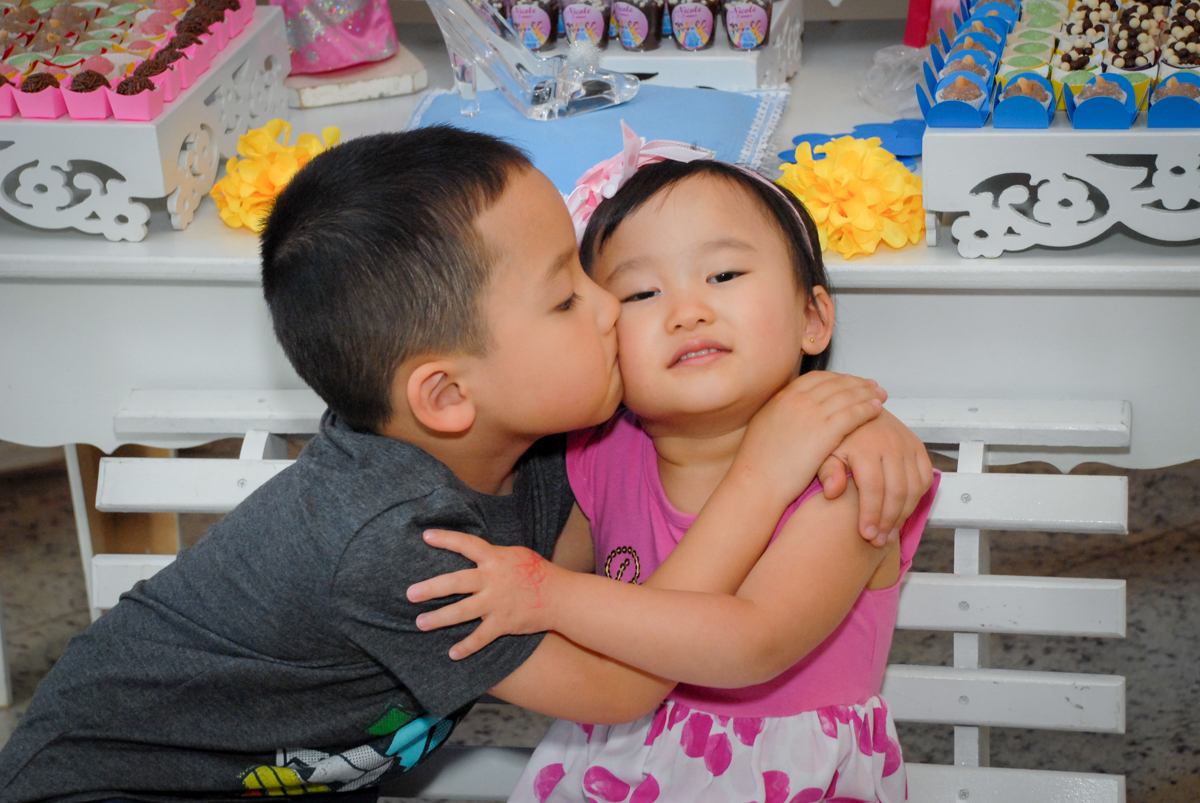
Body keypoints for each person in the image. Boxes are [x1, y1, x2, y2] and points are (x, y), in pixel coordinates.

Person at [0, 128, 929, 803]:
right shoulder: (400, 543)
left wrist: (858, 424)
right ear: (447, 394)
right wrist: (769, 467)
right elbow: (620, 683)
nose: (614, 312)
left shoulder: (532, 441)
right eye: (573, 296)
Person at [408, 140, 941, 803]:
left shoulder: (845, 473)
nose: (686, 310)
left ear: (812, 317)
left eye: (724, 276)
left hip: (781, 780)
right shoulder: (601, 452)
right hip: (612, 764)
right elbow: (550, 578)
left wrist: (548, 593)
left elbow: (752, 641)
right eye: (641, 291)